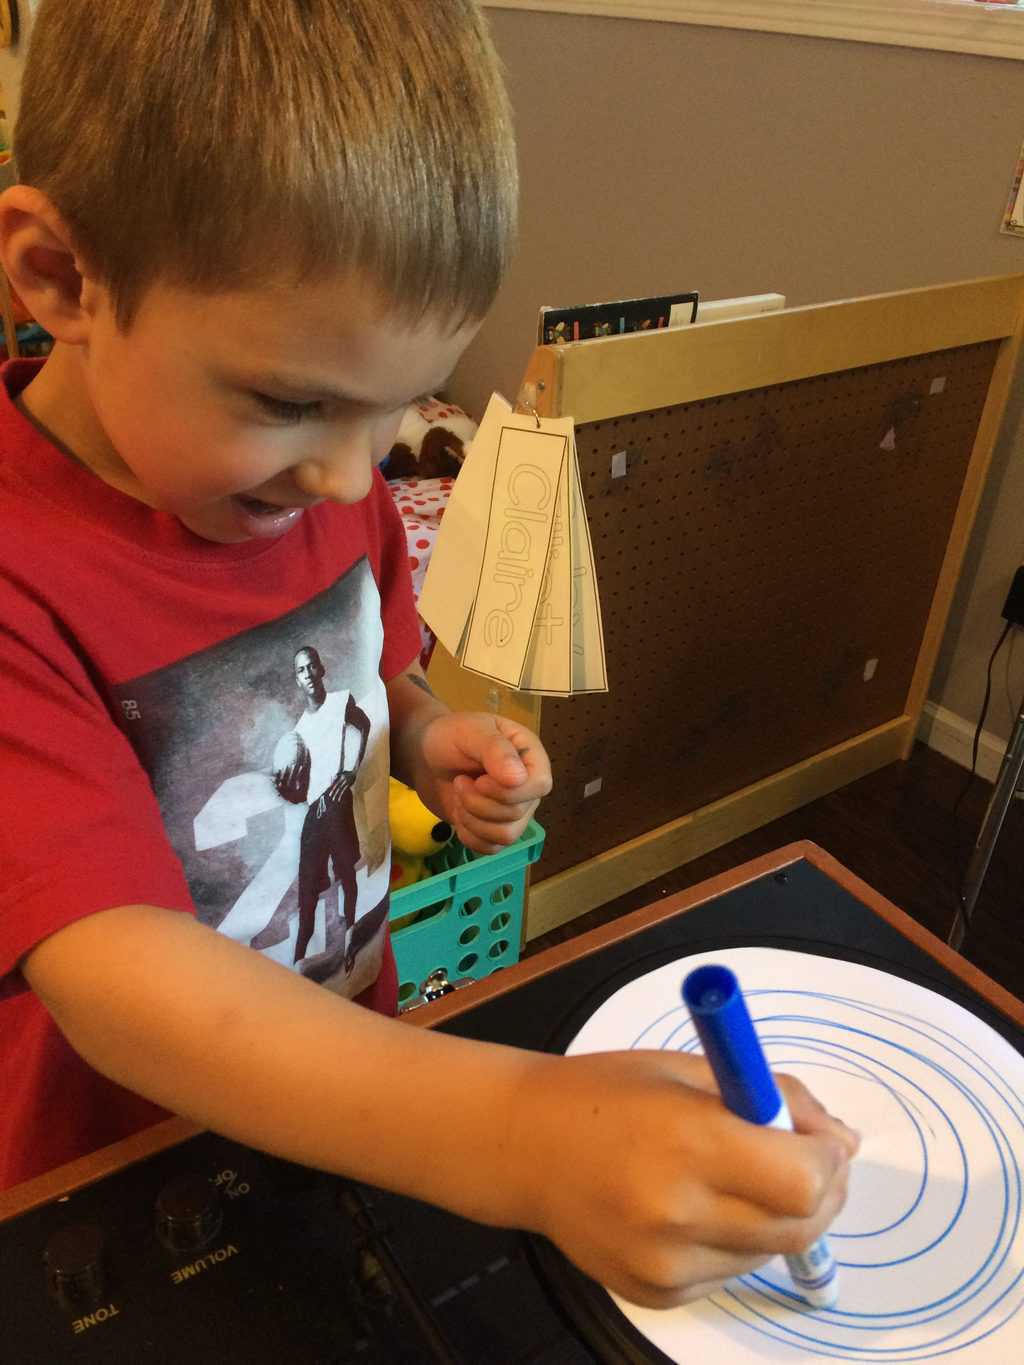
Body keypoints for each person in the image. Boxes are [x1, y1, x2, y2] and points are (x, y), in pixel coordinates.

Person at [0, 0, 858, 1310]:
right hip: (125, 1161)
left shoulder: (324, 486)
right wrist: (525, 1133)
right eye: (293, 402)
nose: (355, 471)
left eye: (398, 403)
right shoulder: (18, 575)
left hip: (360, 1058)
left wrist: (425, 730)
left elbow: (369, 671)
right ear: (63, 279)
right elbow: (126, 979)